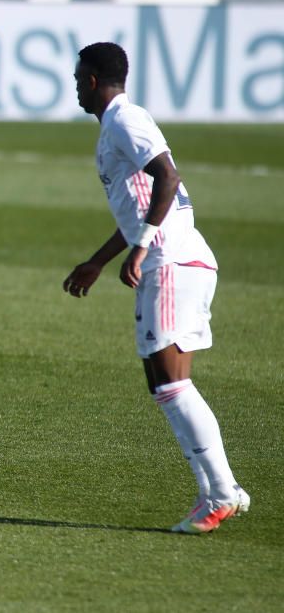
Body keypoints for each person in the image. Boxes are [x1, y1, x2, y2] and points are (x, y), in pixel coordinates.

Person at [63, 42, 249, 534]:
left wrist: (142, 248)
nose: (76, 87)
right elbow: (142, 202)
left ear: (91, 81)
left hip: (170, 260)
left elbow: (168, 177)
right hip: (179, 257)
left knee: (170, 383)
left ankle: (221, 491)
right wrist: (98, 262)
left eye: (79, 77)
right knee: (165, 381)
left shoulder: (125, 120)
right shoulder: (115, 126)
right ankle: (219, 487)